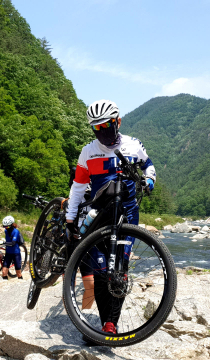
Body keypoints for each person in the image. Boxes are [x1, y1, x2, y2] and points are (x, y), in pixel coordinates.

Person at [65, 99, 156, 335]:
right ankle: (106, 323)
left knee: (120, 270)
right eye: (96, 128)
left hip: (127, 213)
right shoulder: (88, 151)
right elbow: (77, 187)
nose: (102, 132)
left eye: (106, 126)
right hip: (99, 214)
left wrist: (150, 180)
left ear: (118, 122)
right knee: (101, 270)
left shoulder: (133, 145)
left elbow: (149, 165)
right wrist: (70, 216)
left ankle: (110, 325)